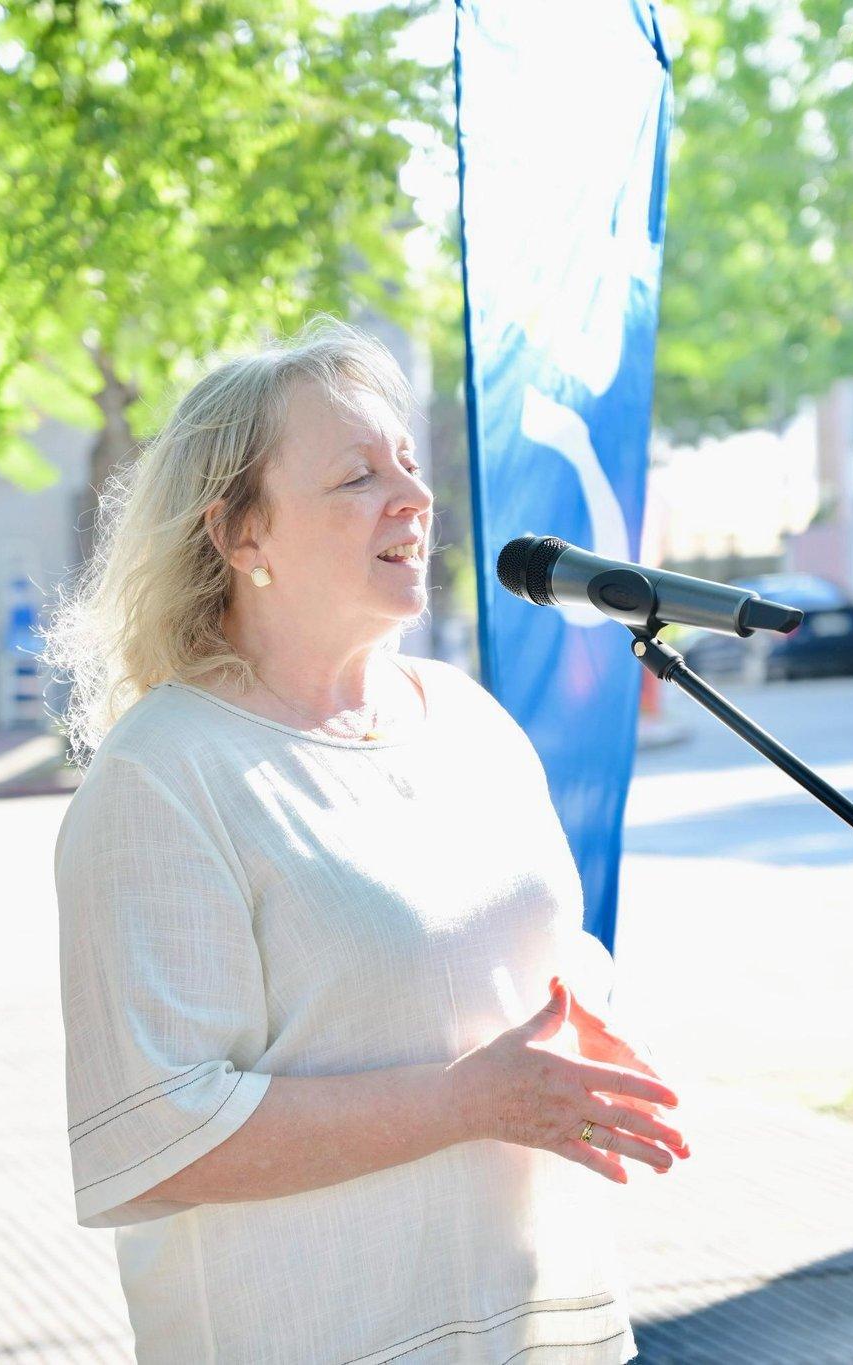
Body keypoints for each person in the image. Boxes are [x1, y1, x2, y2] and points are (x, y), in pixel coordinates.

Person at [42, 320, 688, 1363]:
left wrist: (578, 1031)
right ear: (239, 536)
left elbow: (556, 957)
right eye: (355, 476)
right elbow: (154, 1138)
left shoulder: (466, 717)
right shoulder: (161, 776)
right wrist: (468, 1100)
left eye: (406, 462)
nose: (412, 497)